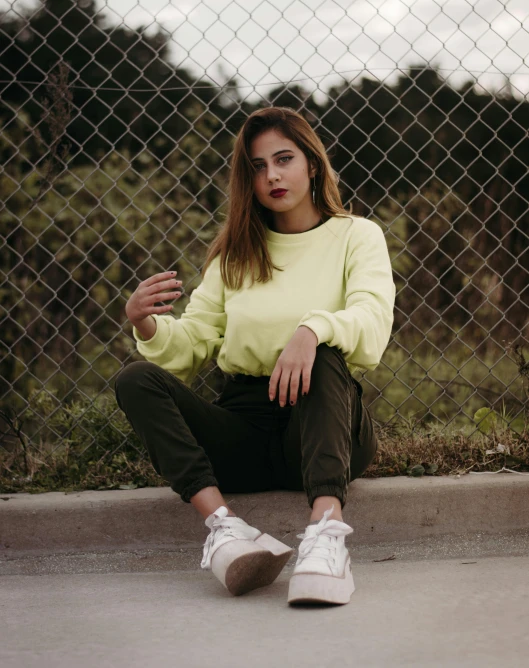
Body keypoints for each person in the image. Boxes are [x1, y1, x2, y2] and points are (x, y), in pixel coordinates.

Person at [114, 106, 396, 606]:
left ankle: (326, 537)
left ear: (312, 163)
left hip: (320, 427)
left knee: (326, 350)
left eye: (284, 159)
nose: (272, 175)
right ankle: (225, 530)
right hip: (244, 430)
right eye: (258, 167)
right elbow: (193, 343)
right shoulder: (235, 255)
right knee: (135, 378)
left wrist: (312, 329)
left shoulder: (357, 235)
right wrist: (147, 323)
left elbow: (371, 324)